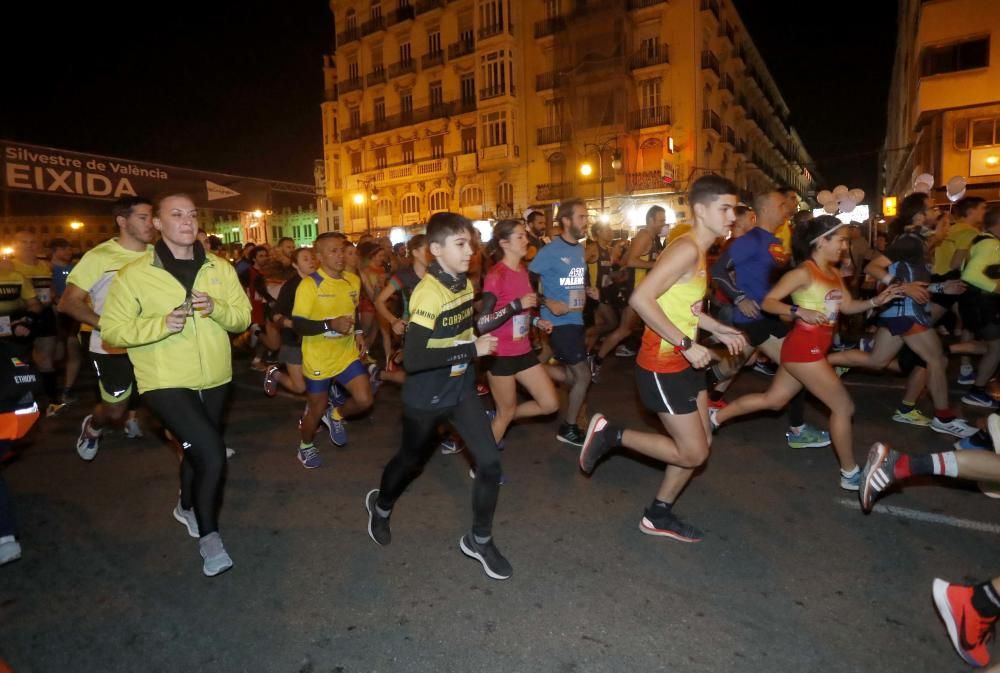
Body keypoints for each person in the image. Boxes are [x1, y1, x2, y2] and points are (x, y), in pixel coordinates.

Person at [578, 175, 748, 541]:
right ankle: (612, 434)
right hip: (662, 365)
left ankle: (658, 514)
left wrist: (716, 329)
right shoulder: (686, 249)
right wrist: (687, 344)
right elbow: (642, 299)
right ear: (701, 210)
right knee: (693, 452)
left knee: (700, 446)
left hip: (683, 363)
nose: (733, 216)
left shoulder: (698, 249)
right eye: (725, 208)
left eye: (734, 208)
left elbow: (684, 307)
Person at [100, 192, 251, 577]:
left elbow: (242, 319)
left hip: (216, 378)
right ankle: (210, 538)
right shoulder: (136, 273)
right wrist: (160, 324)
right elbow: (112, 331)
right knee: (212, 453)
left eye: (192, 214)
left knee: (196, 451)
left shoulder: (219, 267)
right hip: (164, 380)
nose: (187, 221)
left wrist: (216, 308)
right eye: (176, 214)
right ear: (158, 224)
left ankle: (186, 505)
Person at [365, 212, 509, 580]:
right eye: (461, 245)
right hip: (425, 395)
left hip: (460, 390)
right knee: (410, 461)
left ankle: (479, 539)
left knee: (490, 463)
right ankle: (381, 507)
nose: (471, 251)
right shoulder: (429, 292)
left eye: (472, 243)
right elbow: (414, 359)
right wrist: (470, 351)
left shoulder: (463, 284)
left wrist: (501, 311)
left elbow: (464, 331)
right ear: (435, 250)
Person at [711, 215, 903, 490]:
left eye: (846, 241)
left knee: (773, 400)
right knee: (843, 407)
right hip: (804, 349)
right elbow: (768, 302)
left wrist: (875, 300)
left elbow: (847, 307)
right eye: (840, 240)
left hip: (809, 349)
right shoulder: (803, 272)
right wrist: (798, 310)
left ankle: (715, 418)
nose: (844, 246)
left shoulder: (834, 273)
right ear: (821, 242)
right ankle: (850, 473)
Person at [709, 190, 832, 448]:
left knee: (732, 365)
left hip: (771, 315)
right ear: (764, 209)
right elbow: (718, 270)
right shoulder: (751, 239)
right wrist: (740, 296)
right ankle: (797, 430)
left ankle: (699, 396)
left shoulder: (773, 240)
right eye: (781, 204)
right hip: (755, 317)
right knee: (799, 368)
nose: (787, 207)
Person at [58, 197, 157, 460]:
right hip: (111, 346)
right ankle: (93, 426)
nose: (151, 223)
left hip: (152, 342)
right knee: (114, 409)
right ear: (122, 221)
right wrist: (110, 326)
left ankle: (201, 447)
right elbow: (68, 303)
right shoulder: (99, 256)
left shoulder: (157, 255)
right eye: (143, 218)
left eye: (152, 217)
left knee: (168, 396)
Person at [292, 232, 374, 467]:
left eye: (342, 250)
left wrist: (357, 332)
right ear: (319, 256)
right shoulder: (310, 285)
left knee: (365, 400)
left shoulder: (352, 280)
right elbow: (298, 324)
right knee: (315, 411)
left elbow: (353, 311)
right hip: (318, 359)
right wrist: (330, 324)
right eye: (333, 251)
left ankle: (336, 414)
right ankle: (305, 446)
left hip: (346, 354)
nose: (340, 256)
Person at [478, 220, 559, 446]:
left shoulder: (523, 270)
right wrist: (516, 304)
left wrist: (536, 320)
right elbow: (483, 323)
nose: (527, 240)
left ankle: (496, 422)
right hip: (500, 354)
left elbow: (520, 312)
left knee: (549, 404)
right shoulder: (496, 275)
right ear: (504, 243)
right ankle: (483, 464)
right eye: (520, 237)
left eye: (526, 235)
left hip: (523, 350)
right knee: (505, 412)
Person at [528, 199, 600, 446]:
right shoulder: (549, 251)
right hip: (558, 322)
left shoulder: (579, 249)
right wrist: (546, 302)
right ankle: (568, 427)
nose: (586, 221)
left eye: (586, 216)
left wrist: (589, 290)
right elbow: (525, 285)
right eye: (581, 217)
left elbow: (577, 280)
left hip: (576, 319)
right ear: (566, 221)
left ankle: (527, 371)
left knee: (572, 377)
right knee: (583, 375)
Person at [589, 206, 667, 365]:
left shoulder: (653, 239)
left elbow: (625, 261)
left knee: (637, 328)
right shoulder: (644, 235)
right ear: (651, 220)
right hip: (636, 293)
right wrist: (656, 265)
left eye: (664, 221)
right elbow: (631, 261)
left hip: (644, 293)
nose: (663, 224)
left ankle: (650, 356)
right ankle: (597, 359)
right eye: (661, 220)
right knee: (623, 329)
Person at [957, 205, 1000, 409]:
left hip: (978, 303)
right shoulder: (991, 244)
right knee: (996, 348)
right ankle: (977, 389)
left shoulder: (983, 239)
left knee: (992, 347)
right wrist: (996, 287)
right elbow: (970, 274)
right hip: (983, 304)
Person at [13, 230, 60, 415]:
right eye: (24, 242)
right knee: (20, 360)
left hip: (45, 314)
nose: (29, 245)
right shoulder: (10, 266)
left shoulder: (44, 265)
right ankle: (23, 400)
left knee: (47, 359)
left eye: (33, 242)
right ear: (15, 245)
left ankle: (52, 401)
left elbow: (51, 288)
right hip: (21, 316)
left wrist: (54, 299)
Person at [264, 247, 318, 396]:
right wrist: (293, 324)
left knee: (320, 380)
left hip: (314, 340)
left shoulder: (319, 282)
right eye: (305, 259)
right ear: (295, 265)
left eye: (312, 258)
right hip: (293, 341)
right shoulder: (291, 286)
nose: (311, 262)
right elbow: (275, 313)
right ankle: (274, 373)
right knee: (300, 387)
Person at [49, 238, 82, 404]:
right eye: (65, 249)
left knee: (73, 349)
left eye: (70, 248)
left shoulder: (75, 268)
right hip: (54, 315)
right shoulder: (48, 269)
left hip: (73, 316)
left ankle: (67, 389)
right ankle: (53, 384)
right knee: (56, 351)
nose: (69, 252)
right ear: (55, 251)